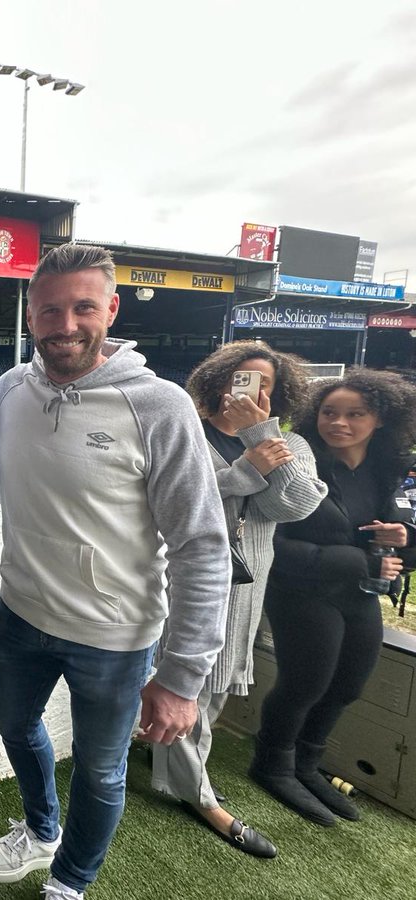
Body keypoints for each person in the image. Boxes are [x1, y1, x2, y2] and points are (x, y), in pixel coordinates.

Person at [0, 243, 230, 900]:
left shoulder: (161, 406)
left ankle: (70, 883)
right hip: (21, 616)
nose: (65, 326)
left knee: (101, 771)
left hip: (116, 642)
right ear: (29, 315)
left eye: (83, 307)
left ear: (111, 310)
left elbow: (202, 547)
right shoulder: (11, 390)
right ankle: (41, 831)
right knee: (11, 721)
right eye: (50, 310)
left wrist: (181, 679)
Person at [152, 340, 326, 858]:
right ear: (216, 380)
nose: (252, 391)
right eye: (242, 379)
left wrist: (260, 436)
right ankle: (198, 795)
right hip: (186, 579)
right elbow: (178, 500)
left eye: (265, 383)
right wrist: (246, 470)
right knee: (187, 682)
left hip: (247, 585)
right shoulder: (189, 433)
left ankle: (176, 767)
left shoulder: (287, 442)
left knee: (221, 682)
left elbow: (294, 505)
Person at [252, 369, 416, 824]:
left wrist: (406, 537)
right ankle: (272, 763)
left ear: (380, 419)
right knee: (305, 683)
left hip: (359, 595)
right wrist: (357, 562)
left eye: (354, 414)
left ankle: (306, 765)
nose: (339, 423)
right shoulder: (297, 463)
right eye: (329, 413)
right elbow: (273, 545)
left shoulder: (389, 469)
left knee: (347, 686)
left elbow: (401, 544)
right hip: (300, 592)